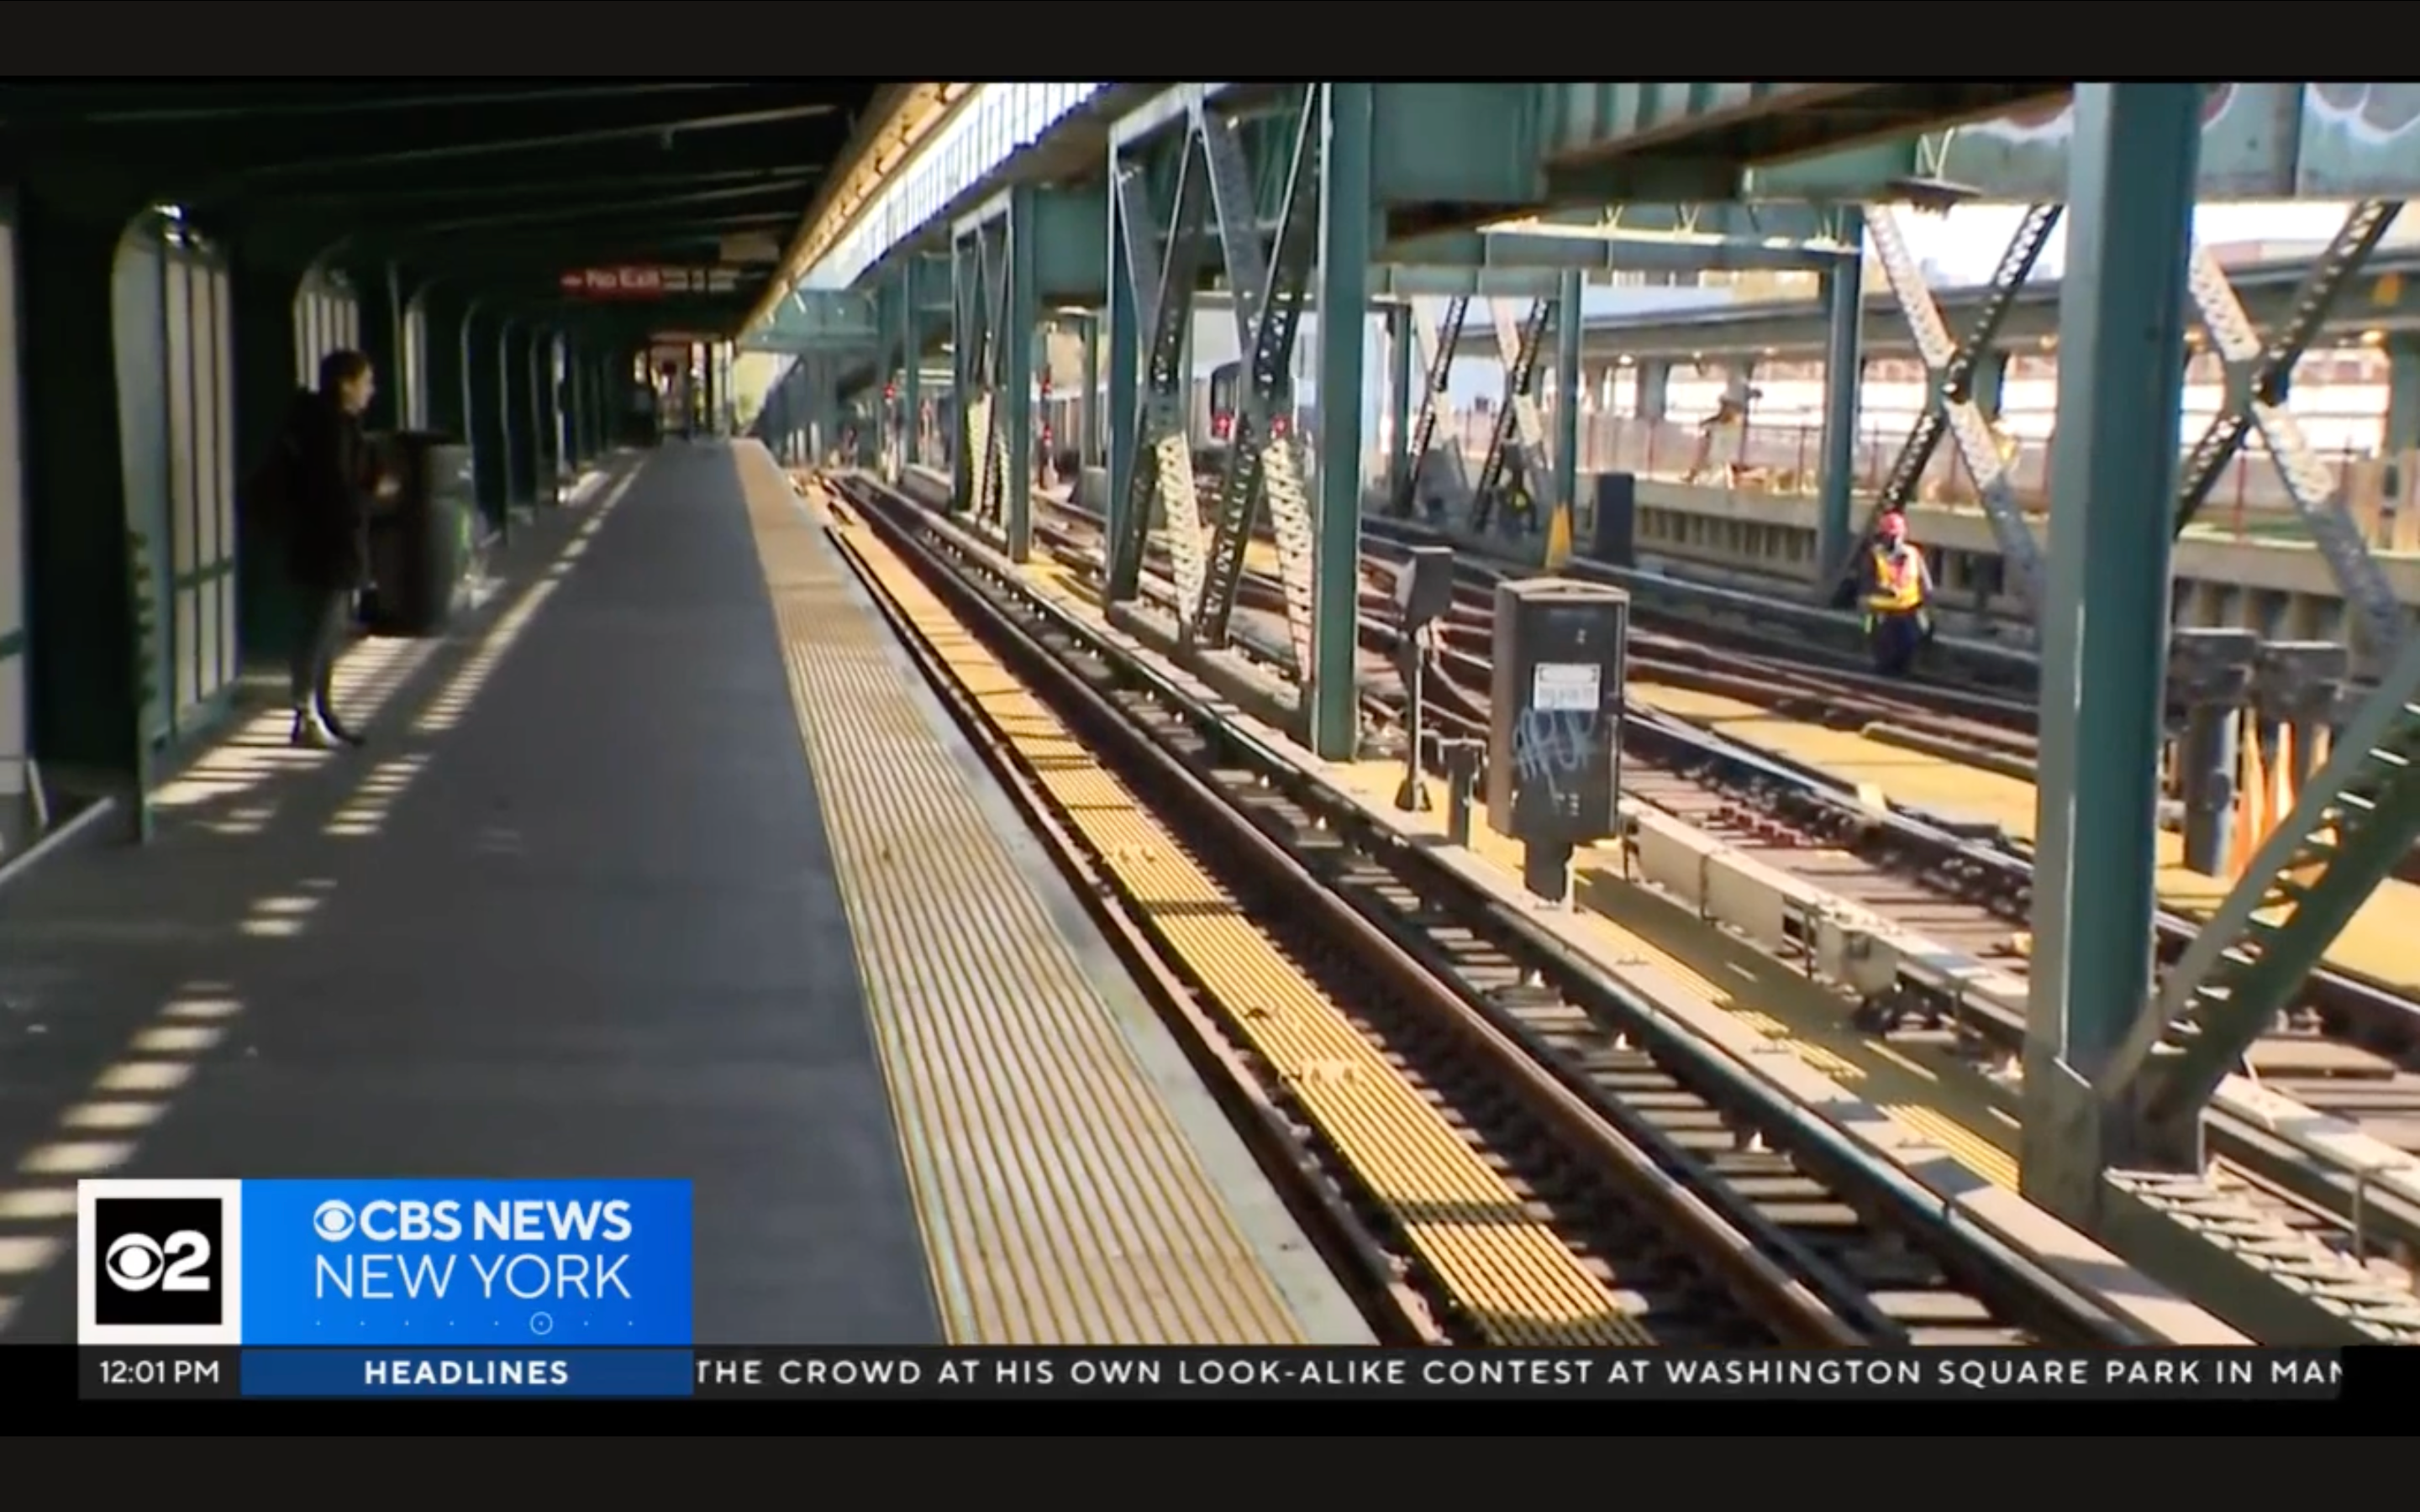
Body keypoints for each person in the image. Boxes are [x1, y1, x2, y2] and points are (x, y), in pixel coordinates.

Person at [276, 349, 394, 749]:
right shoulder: (331, 430)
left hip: (324, 543)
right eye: (366, 382)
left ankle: (321, 710)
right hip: (327, 545)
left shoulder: (329, 424)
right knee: (317, 631)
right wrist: (373, 492)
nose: (371, 391)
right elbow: (336, 493)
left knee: (325, 632)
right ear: (346, 384)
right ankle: (307, 714)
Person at [1861, 509, 1934, 676]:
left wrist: (1928, 608)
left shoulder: (1913, 554)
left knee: (1909, 649)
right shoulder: (1875, 556)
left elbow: (1925, 583)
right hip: (1882, 615)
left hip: (1909, 611)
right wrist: (1884, 590)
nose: (1894, 539)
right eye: (1891, 535)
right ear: (1883, 535)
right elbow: (1866, 584)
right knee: (1885, 658)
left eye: (1897, 535)